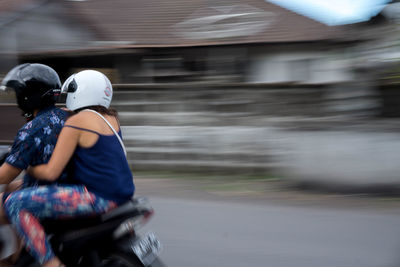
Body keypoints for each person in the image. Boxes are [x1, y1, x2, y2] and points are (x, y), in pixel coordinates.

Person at [3, 70, 135, 267]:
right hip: (122, 195)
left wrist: (28, 167)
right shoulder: (110, 118)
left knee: (14, 203)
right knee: (15, 189)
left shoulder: (76, 122)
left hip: (96, 198)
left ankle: (50, 263)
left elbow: (50, 173)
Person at [0, 63, 69, 265]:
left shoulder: (31, 129)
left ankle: (20, 255)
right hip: (67, 184)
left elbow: (5, 175)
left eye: (19, 92)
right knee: (13, 188)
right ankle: (21, 252)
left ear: (29, 96)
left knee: (8, 190)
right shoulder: (69, 116)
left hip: (46, 193)